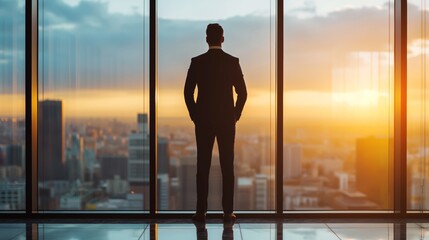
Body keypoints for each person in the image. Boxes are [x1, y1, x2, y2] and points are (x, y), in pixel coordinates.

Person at [184, 23, 247, 222]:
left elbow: (187, 93)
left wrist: (195, 115)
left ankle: (201, 211)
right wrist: (234, 115)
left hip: (203, 121)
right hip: (226, 121)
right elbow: (243, 93)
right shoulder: (232, 62)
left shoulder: (197, 62)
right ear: (222, 39)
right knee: (227, 166)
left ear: (206, 39)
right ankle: (228, 212)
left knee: (202, 165)